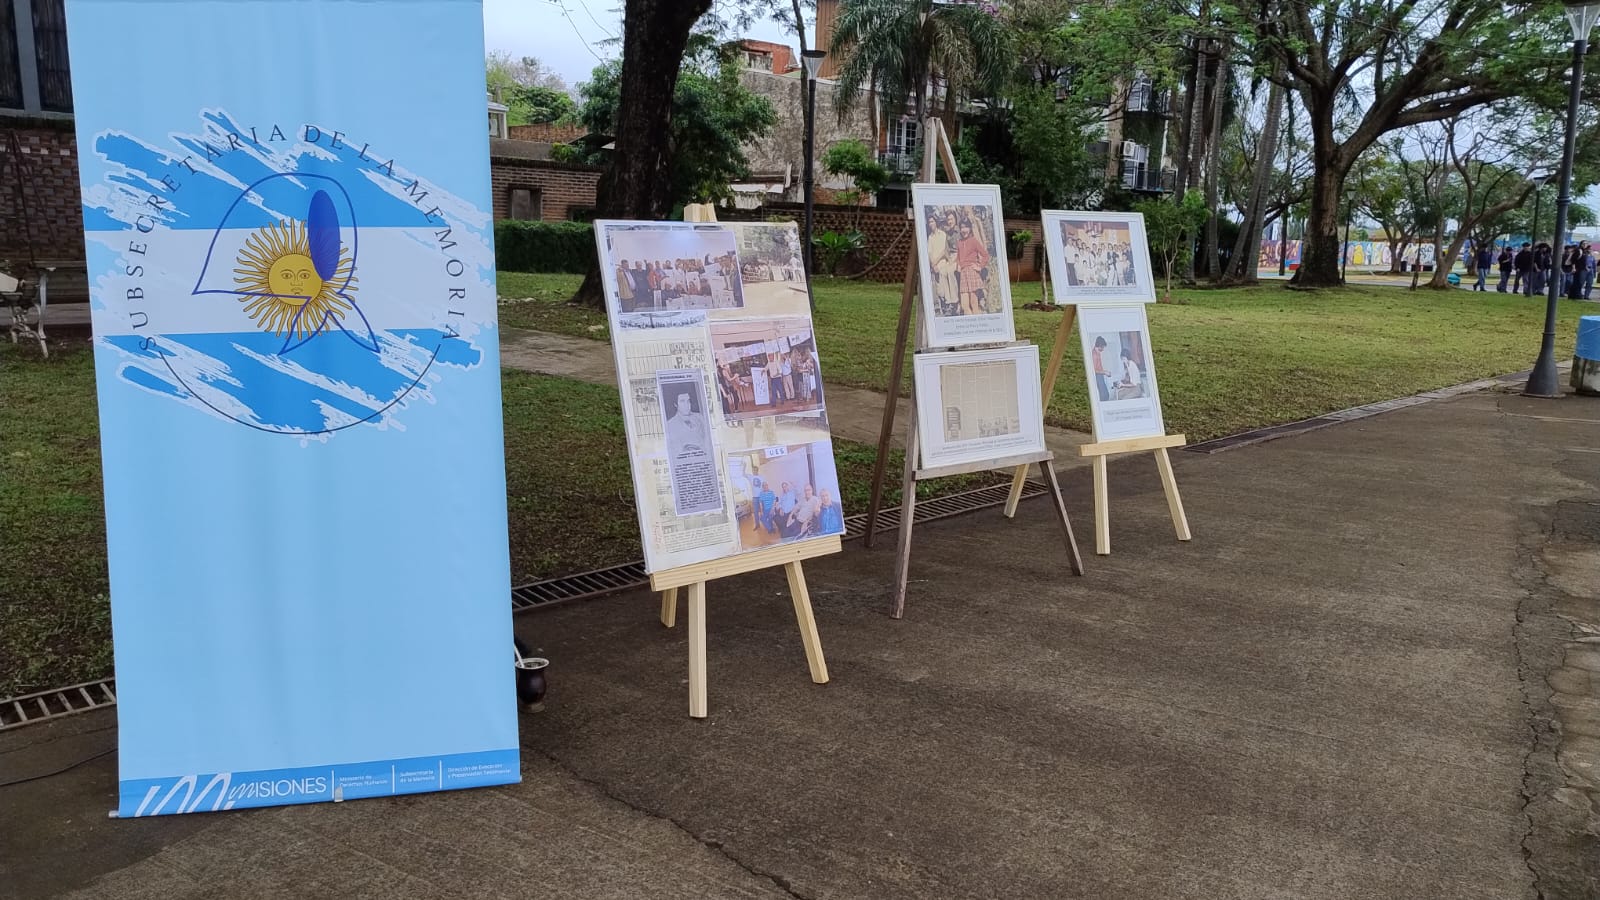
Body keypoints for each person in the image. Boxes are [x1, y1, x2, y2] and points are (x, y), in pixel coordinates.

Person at [956, 218, 991, 315]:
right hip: (963, 273)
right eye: (962, 227)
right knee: (964, 306)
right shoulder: (959, 242)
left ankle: (977, 322)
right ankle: (971, 321)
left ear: (970, 228)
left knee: (974, 303)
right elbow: (958, 257)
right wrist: (958, 265)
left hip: (972, 272)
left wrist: (980, 266)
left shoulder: (973, 241)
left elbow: (985, 255)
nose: (964, 230)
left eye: (966, 227)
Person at [664, 390, 706, 455]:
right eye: (682, 401)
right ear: (675, 404)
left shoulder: (700, 417)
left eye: (688, 401)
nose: (687, 405)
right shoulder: (670, 425)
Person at [1090, 336, 1112, 401]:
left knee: (1106, 394)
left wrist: (1105, 372)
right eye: (1103, 347)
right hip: (1097, 376)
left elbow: (1099, 366)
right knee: (1104, 395)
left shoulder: (1098, 353)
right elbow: (1094, 370)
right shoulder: (1094, 355)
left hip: (1100, 375)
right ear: (1100, 345)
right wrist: (1104, 372)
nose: (1103, 349)